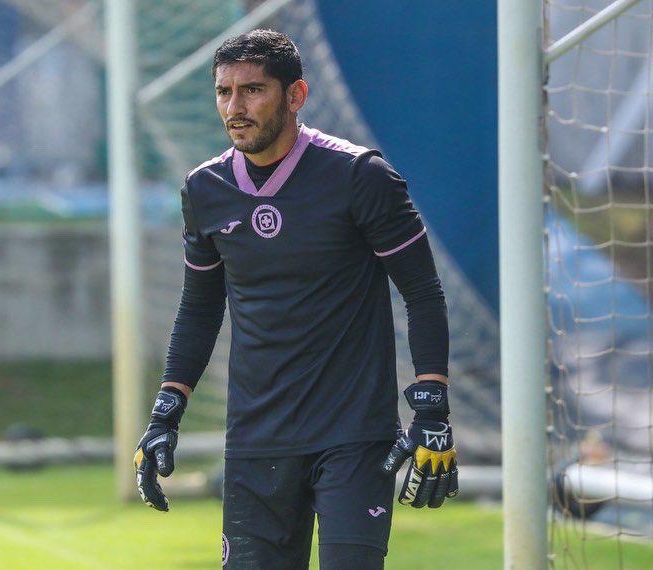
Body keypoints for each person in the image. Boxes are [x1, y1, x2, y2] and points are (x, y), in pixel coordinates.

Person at [134, 29, 458, 569]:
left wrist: (432, 407)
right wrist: (166, 412)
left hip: (354, 435)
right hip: (256, 438)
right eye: (224, 92)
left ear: (296, 95)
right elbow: (199, 308)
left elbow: (423, 292)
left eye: (252, 90)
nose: (235, 108)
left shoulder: (361, 176)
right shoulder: (204, 189)